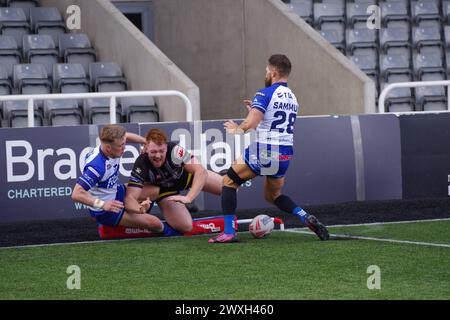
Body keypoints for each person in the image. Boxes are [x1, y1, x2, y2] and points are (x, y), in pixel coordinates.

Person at [208, 54, 330, 243]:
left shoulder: (264, 93)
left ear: (273, 72)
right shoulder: (292, 98)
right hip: (284, 153)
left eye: (266, 71)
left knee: (228, 182)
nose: (265, 74)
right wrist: (254, 112)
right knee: (273, 196)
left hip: (265, 149)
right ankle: (304, 216)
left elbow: (251, 124)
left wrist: (237, 128)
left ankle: (229, 233)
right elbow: (268, 122)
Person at [125, 128, 223, 235]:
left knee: (226, 187)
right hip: (165, 192)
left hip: (186, 178)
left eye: (161, 151)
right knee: (185, 226)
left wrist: (189, 197)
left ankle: (222, 176)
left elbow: (200, 171)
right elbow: (130, 198)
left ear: (166, 147)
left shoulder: (175, 150)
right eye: (153, 152)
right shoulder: (141, 163)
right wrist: (138, 209)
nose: (158, 156)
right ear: (146, 148)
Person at [71, 124, 164, 232]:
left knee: (155, 190)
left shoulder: (110, 144)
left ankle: (132, 221)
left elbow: (126, 136)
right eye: (121, 146)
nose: (124, 148)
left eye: (124, 144)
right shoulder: (97, 167)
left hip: (116, 193)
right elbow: (76, 194)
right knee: (156, 224)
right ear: (108, 148)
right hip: (107, 211)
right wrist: (103, 205)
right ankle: (120, 224)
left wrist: (146, 143)